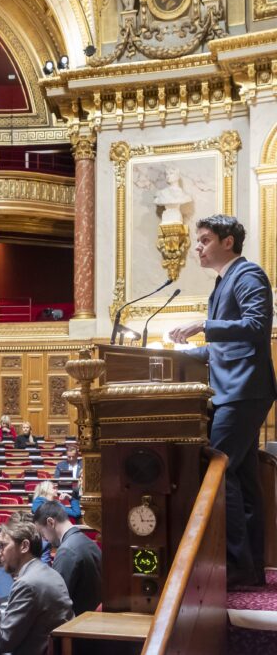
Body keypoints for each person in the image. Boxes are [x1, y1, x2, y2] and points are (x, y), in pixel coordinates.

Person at [169, 215, 277, 589]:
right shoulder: (223, 282)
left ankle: (234, 563)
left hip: (244, 390)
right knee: (243, 479)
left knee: (215, 464)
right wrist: (184, 354)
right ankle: (249, 569)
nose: (197, 247)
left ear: (227, 242)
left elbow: (256, 326)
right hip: (234, 389)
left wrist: (204, 325)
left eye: (204, 240)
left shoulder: (247, 275)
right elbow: (224, 348)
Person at [0, 517, 72, 655]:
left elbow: (3, 643)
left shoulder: (26, 584)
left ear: (24, 546)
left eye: (2, 545)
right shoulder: (51, 573)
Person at [33, 500, 101, 615]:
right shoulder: (88, 542)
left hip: (76, 625)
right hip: (92, 619)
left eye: (42, 533)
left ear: (50, 522)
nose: (45, 539)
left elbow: (55, 601)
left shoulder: (67, 551)